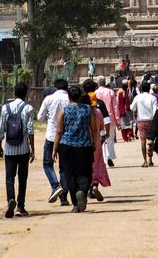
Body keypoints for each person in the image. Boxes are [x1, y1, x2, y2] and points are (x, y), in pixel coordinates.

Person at [53, 84, 100, 213]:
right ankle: (82, 192)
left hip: (66, 146)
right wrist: (95, 144)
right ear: (80, 97)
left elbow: (59, 131)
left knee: (70, 175)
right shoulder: (87, 110)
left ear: (69, 97)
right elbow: (94, 129)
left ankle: (75, 203)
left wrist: (54, 149)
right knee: (85, 173)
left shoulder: (64, 110)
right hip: (84, 146)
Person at [0, 82, 35, 219]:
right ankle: (20, 206)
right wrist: (33, 149)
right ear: (26, 93)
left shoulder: (5, 108)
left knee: (9, 177)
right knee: (22, 178)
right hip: (23, 148)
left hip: (9, 149)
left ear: (14, 93)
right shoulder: (29, 108)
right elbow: (30, 130)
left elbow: (1, 128)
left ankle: (10, 200)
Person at [37, 78, 70, 204]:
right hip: (66, 137)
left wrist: (49, 118)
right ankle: (63, 198)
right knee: (64, 167)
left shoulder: (49, 99)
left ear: (55, 88)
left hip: (51, 136)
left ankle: (55, 186)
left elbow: (40, 117)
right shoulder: (69, 99)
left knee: (47, 164)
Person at [82, 77, 111, 201]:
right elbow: (107, 121)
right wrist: (106, 134)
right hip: (97, 139)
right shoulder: (99, 105)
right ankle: (94, 185)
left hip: (83, 140)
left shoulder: (81, 103)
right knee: (97, 163)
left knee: (85, 164)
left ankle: (86, 188)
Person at [131, 80, 158, 166]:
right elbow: (155, 111)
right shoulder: (153, 98)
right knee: (151, 140)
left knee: (143, 141)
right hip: (151, 121)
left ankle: (145, 161)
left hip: (141, 121)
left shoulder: (138, 97)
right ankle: (150, 159)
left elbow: (132, 108)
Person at [95, 75, 119, 167]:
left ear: (98, 83)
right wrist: (118, 121)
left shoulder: (95, 92)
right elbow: (115, 107)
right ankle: (108, 157)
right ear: (105, 82)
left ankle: (104, 159)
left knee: (101, 139)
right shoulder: (110, 92)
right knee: (110, 139)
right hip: (110, 118)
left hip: (99, 118)